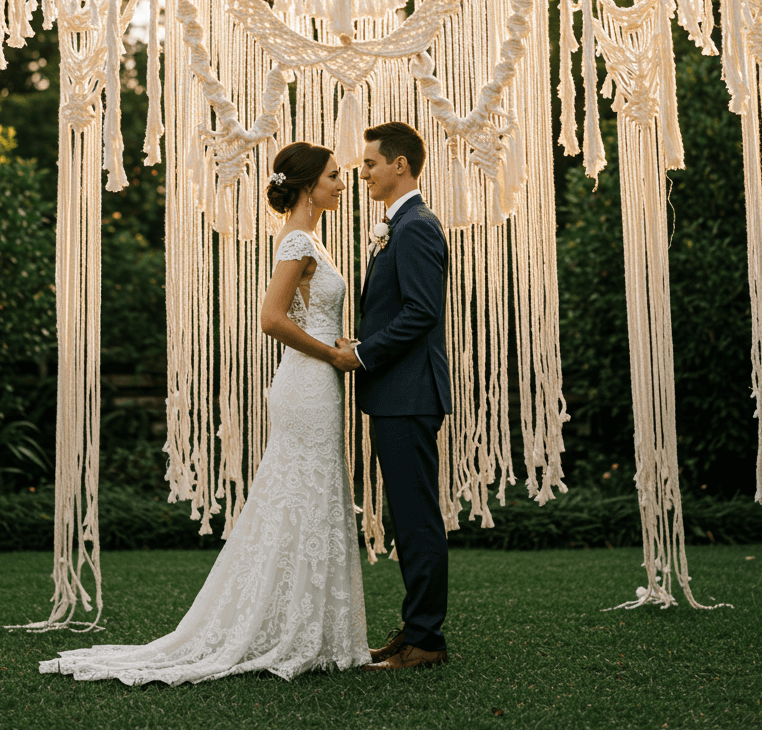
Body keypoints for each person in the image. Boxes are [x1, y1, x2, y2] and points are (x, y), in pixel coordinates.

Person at [39, 142, 369, 685]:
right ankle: (288, 629)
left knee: (313, 499)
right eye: (335, 177)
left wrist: (337, 339)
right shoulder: (297, 238)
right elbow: (270, 318)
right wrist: (331, 352)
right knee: (300, 496)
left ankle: (315, 626)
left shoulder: (313, 240)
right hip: (307, 384)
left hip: (319, 382)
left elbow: (311, 312)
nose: (341, 184)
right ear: (310, 185)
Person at [335, 121, 452, 673]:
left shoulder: (416, 227)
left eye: (369, 164)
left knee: (416, 518)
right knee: (409, 516)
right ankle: (414, 631)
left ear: (399, 165)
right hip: (394, 394)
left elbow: (421, 313)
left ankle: (426, 640)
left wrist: (361, 353)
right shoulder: (399, 225)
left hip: (408, 393)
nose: (363, 173)